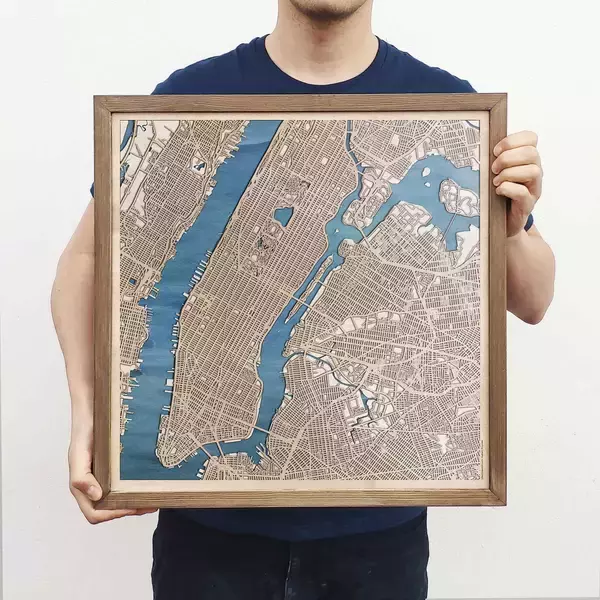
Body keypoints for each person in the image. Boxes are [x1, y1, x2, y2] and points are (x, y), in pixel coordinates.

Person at [51, 1, 556, 598]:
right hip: (207, 537)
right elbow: (86, 260)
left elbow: (533, 300)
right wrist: (88, 414)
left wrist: (510, 229)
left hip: (378, 543)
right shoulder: (192, 95)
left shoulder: (449, 109)